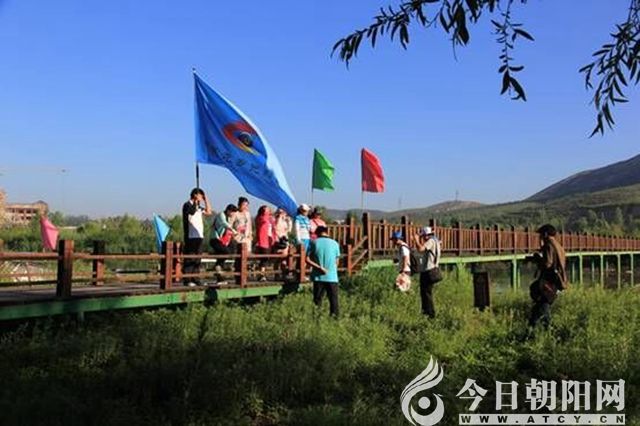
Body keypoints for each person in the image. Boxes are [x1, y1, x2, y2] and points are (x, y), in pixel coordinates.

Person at [528, 224, 567, 329]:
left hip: (549, 281)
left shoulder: (548, 245)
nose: (540, 237)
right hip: (557, 280)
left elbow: (547, 264)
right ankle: (535, 329)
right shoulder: (558, 246)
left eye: (541, 235)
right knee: (540, 306)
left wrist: (537, 259)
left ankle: (546, 329)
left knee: (543, 304)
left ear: (545, 234)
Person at [306, 226, 341, 316]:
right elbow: (337, 262)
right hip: (332, 277)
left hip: (318, 277)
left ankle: (316, 318)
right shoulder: (335, 243)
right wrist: (331, 270)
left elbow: (307, 259)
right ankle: (335, 318)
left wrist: (319, 268)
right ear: (327, 232)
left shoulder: (314, 243)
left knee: (317, 301)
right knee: (334, 301)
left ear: (317, 233)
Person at [182, 188, 212, 286]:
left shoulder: (198, 207)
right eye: (200, 195)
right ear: (195, 195)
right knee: (190, 257)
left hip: (199, 235)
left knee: (198, 258)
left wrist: (206, 200)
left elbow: (209, 212)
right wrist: (195, 202)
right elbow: (191, 212)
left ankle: (196, 278)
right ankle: (187, 279)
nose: (201, 197)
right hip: (190, 235)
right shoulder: (187, 205)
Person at [413, 226, 442, 318]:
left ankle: (429, 315)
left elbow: (420, 249)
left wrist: (416, 240)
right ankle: (428, 314)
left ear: (426, 235)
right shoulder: (436, 241)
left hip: (428, 271)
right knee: (427, 293)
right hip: (434, 270)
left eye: (423, 236)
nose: (422, 238)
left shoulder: (430, 241)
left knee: (426, 294)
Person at [210, 204, 238, 284]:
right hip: (215, 239)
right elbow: (224, 224)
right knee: (226, 252)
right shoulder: (221, 215)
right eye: (233, 212)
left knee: (227, 253)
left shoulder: (227, 217)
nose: (233, 214)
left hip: (220, 240)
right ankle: (217, 266)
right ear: (228, 210)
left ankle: (219, 277)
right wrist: (233, 230)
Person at [255, 205, 275, 281]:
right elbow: (263, 220)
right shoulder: (260, 218)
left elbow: (273, 224)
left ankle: (262, 274)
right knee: (264, 258)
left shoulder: (270, 218)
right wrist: (269, 214)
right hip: (263, 240)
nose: (268, 210)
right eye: (266, 209)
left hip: (269, 239)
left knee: (266, 258)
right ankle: (261, 275)